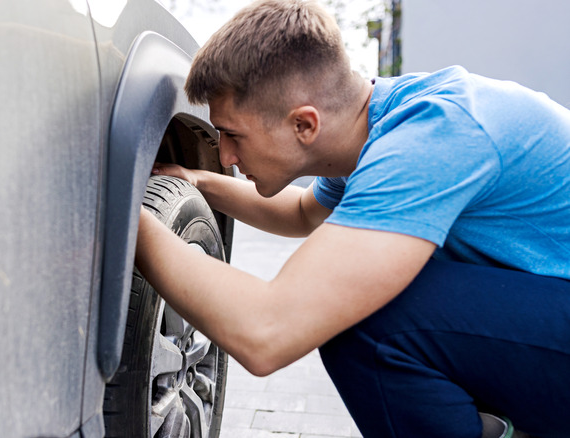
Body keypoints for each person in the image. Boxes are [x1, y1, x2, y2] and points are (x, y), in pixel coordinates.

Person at [135, 0, 570, 437]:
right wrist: (200, 180)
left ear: (304, 125)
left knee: (368, 321)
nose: (225, 155)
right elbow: (302, 212)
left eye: (232, 135)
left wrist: (129, 225)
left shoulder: (428, 141)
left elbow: (266, 331)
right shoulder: (380, 123)